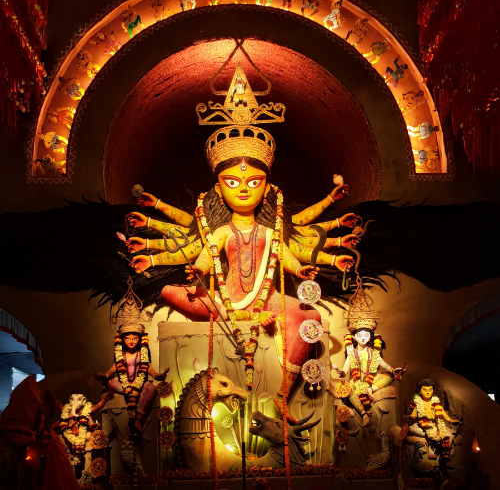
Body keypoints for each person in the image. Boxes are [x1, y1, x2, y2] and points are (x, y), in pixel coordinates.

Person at [125, 103, 359, 417]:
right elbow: (207, 258)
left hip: (268, 300)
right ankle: (238, 316)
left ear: (266, 187)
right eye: (233, 182)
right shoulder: (222, 231)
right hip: (227, 300)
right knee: (170, 291)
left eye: (254, 182)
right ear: (219, 190)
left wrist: (301, 269)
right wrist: (197, 271)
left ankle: (282, 393)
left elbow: (284, 255)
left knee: (312, 317)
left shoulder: (268, 230)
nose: (244, 189)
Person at [95, 322, 168, 433]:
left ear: (140, 339)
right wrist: (105, 375)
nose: (131, 341)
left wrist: (157, 376)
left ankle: (138, 419)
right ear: (122, 340)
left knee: (151, 388)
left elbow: (149, 368)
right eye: (127, 339)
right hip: (124, 383)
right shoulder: (122, 355)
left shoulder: (142, 355)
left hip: (139, 381)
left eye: (135, 338)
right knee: (110, 383)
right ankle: (128, 393)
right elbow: (113, 369)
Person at [335, 323, 404, 427]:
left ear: (370, 337)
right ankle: (363, 414)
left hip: (371, 380)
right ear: (353, 337)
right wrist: (341, 373)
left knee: (390, 376)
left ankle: (372, 390)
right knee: (346, 389)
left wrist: (393, 371)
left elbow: (383, 364)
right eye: (359, 335)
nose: (363, 338)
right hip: (356, 381)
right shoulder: (352, 353)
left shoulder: (373, 352)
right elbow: (346, 368)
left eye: (366, 335)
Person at [408, 379, 460, 460]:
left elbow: (442, 413)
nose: (428, 392)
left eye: (430, 390)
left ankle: (446, 451)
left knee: (445, 434)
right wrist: (411, 417)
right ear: (420, 391)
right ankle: (431, 449)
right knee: (428, 432)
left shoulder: (435, 402)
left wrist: (451, 421)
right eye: (425, 390)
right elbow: (414, 414)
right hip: (423, 424)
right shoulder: (419, 403)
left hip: (435, 423)